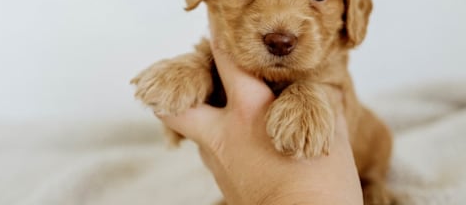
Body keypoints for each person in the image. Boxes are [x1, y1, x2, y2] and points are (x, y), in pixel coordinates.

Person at [156, 36, 364, 205]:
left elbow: (334, 91)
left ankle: (371, 183)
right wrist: (198, 69)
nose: (281, 31)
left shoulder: (329, 61)